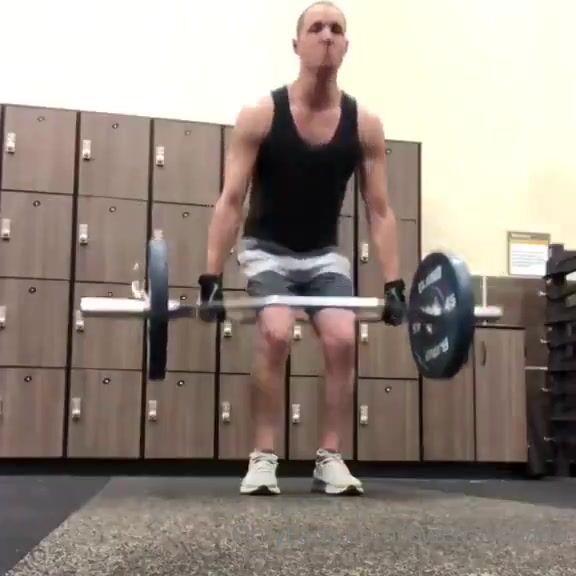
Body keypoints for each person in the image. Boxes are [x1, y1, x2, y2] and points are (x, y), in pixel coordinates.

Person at [198, 1, 405, 495]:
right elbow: (231, 200)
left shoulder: (364, 124)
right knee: (274, 331)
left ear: (346, 45)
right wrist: (210, 277)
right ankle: (263, 456)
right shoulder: (261, 114)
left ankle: (329, 458)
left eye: (336, 29)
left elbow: (379, 210)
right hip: (266, 250)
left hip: (323, 256)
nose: (326, 36)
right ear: (297, 44)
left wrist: (395, 283)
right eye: (316, 28)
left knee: (342, 338)